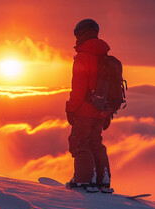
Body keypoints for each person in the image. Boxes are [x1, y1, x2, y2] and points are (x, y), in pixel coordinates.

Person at [66, 19, 114, 193]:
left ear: (80, 34)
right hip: (102, 110)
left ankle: (85, 180)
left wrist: (70, 109)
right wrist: (107, 113)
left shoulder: (83, 56)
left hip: (85, 110)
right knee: (95, 142)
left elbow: (78, 89)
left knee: (79, 143)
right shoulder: (105, 57)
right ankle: (103, 179)